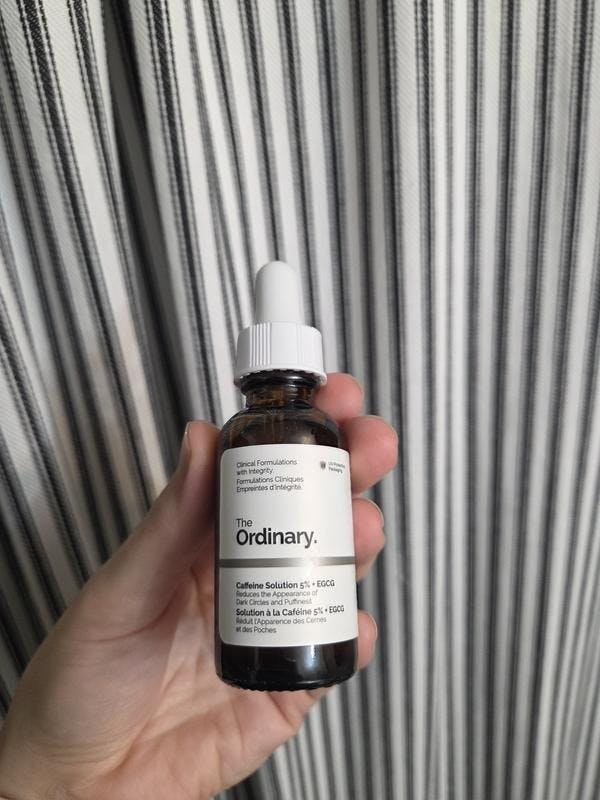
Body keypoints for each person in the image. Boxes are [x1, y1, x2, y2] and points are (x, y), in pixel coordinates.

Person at [0, 374, 397, 800]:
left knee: (350, 532)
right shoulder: (241, 435)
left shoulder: (316, 434)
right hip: (208, 667)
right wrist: (46, 775)